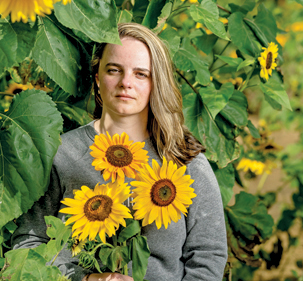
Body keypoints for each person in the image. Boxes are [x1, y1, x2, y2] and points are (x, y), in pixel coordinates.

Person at [12, 22, 228, 281]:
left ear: (156, 82)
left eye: (140, 74)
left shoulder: (184, 158)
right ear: (97, 78)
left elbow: (208, 255)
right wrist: (85, 279)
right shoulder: (61, 154)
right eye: (114, 70)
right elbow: (28, 243)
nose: (126, 83)